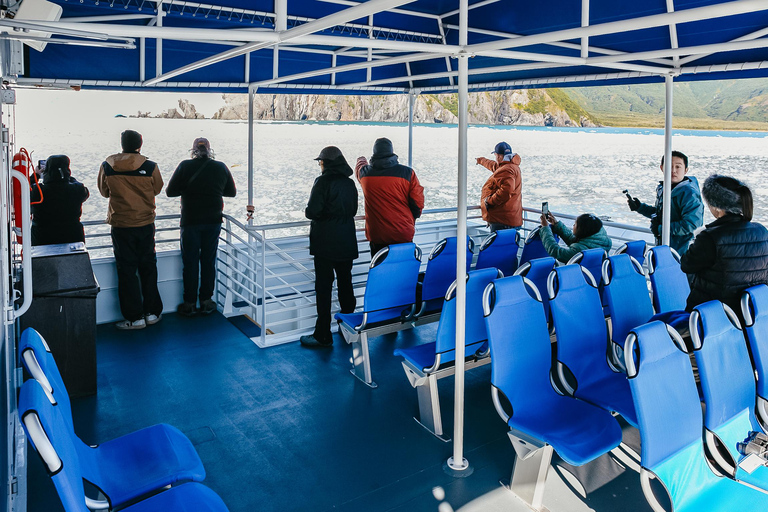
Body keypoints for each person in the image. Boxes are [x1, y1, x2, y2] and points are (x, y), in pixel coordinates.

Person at [97, 130, 164, 330]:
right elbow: (157, 189)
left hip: (121, 225)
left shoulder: (108, 166)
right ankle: (152, 313)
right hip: (145, 223)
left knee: (126, 271)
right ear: (139, 145)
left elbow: (104, 192)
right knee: (148, 267)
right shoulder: (150, 166)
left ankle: (135, 318)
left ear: (122, 144)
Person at [681, 174, 768, 324]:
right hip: (752, 315)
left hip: (713, 316)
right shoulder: (761, 231)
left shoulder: (711, 237)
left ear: (716, 206)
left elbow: (686, 265)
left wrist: (697, 240)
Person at [166, 137, 236, 317]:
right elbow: (231, 192)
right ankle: (206, 301)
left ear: (193, 150)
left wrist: (188, 189)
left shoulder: (184, 166)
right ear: (209, 150)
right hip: (213, 220)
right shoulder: (220, 167)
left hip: (191, 221)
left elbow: (170, 192)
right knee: (208, 261)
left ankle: (189, 303)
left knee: (190, 262)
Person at [300, 146, 359, 348]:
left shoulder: (322, 182)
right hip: (346, 241)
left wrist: (309, 211)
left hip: (325, 243)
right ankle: (349, 328)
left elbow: (313, 211)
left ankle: (323, 334)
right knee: (346, 285)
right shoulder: (349, 183)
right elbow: (353, 210)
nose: (320, 165)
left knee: (324, 289)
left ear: (325, 163)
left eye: (320, 162)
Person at [355, 138, 424, 257]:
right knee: (404, 266)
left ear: (374, 153)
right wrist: (411, 219)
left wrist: (361, 159)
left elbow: (359, 168)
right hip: (402, 231)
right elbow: (418, 202)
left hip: (377, 234)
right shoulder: (407, 173)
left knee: (380, 266)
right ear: (392, 151)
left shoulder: (365, 174)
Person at [626, 150, 703, 256]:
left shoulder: (689, 193)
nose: (673, 170)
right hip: (665, 247)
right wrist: (640, 207)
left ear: (686, 170)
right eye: (669, 166)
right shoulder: (664, 188)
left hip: (681, 251)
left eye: (678, 167)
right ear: (662, 168)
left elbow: (691, 224)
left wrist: (660, 229)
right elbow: (661, 214)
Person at [30, 155, 89, 246]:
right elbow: (83, 191)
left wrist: (36, 175)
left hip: (42, 238)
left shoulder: (37, 191)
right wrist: (65, 176)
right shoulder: (77, 189)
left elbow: (23, 190)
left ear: (47, 171)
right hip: (72, 237)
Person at [475, 141, 523, 233]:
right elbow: (493, 165)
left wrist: (489, 201)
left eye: (496, 155)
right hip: (510, 218)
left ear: (499, 156)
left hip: (502, 220)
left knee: (499, 242)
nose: (495, 158)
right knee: (509, 242)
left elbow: (506, 191)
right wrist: (481, 160)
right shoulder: (511, 166)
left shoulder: (506, 170)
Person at [539, 211, 612, 264]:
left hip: (580, 277)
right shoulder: (600, 242)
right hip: (596, 275)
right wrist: (556, 224)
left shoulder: (579, 251)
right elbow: (575, 241)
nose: (573, 225)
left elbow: (556, 251)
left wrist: (545, 228)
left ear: (582, 230)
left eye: (575, 224)